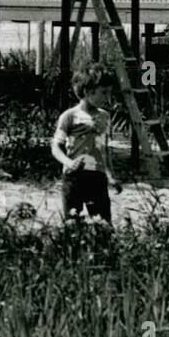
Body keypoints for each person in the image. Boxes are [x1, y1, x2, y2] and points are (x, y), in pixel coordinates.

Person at [51, 63, 124, 223]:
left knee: (103, 224)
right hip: (74, 177)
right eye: (103, 93)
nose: (107, 97)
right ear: (88, 92)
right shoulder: (69, 116)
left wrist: (111, 176)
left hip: (97, 177)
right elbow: (56, 147)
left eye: (109, 93)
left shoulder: (105, 116)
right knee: (73, 224)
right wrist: (68, 163)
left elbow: (104, 149)